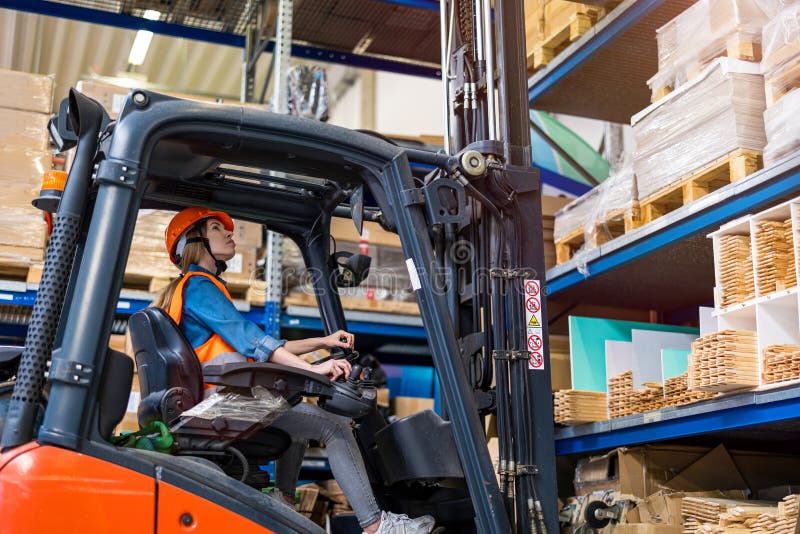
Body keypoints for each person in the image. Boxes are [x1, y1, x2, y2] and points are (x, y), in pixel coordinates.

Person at [154, 206, 434, 534]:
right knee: (336, 425)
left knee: (296, 408)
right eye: (217, 228)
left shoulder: (191, 289)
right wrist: (316, 371)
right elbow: (255, 344)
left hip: (216, 400)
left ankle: (283, 502)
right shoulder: (200, 286)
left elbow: (264, 344)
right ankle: (377, 526)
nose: (231, 233)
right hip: (221, 404)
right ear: (194, 240)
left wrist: (323, 342)